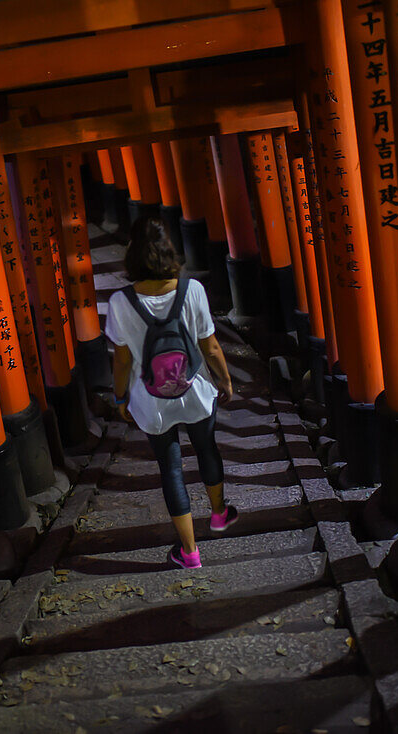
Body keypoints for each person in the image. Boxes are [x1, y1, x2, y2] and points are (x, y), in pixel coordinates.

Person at [104, 217, 237, 570]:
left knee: (170, 469)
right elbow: (209, 346)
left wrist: (120, 399)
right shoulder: (191, 291)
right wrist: (224, 381)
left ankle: (190, 552)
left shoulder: (120, 302)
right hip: (194, 391)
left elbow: (121, 361)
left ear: (132, 255)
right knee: (207, 449)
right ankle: (220, 515)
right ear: (169, 252)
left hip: (150, 401)